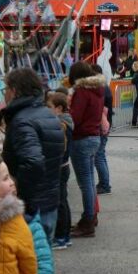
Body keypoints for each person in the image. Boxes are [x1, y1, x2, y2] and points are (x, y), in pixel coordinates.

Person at [1, 67, 64, 240]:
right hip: (49, 200)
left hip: (33, 207)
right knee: (43, 260)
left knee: (31, 262)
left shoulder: (22, 121)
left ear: (14, 91)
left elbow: (33, 162)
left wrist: (19, 191)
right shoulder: (47, 114)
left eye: (4, 89)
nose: (4, 94)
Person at [68, 61, 106, 237]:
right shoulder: (97, 90)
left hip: (82, 138)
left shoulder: (82, 92)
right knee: (89, 180)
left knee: (85, 182)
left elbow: (75, 117)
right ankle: (91, 216)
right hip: (94, 136)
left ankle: (88, 219)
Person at [46, 92, 74, 249]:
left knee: (60, 202)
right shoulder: (65, 122)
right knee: (63, 201)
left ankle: (61, 236)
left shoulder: (60, 125)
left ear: (59, 108)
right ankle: (65, 235)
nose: (47, 110)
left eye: (49, 107)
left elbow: (59, 149)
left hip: (59, 167)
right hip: (63, 166)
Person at [92, 64, 113, 195]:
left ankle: (105, 184)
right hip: (105, 124)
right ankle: (104, 182)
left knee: (99, 156)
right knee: (101, 155)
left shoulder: (101, 88)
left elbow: (101, 109)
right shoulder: (104, 87)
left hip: (102, 125)